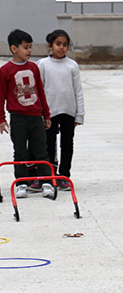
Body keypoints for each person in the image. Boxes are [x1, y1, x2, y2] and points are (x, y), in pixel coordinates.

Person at [0, 29, 55, 199]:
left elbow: (40, 92)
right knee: (20, 151)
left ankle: (46, 182)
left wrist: (46, 114)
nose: (29, 51)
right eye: (25, 47)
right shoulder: (5, 71)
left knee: (41, 150)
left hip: (35, 117)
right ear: (14, 48)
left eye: (30, 47)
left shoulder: (34, 68)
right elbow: (0, 96)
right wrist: (1, 118)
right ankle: (22, 183)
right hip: (18, 118)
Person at [36, 29, 85, 192]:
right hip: (49, 113)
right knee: (49, 144)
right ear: (50, 45)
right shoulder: (42, 64)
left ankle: (64, 176)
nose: (61, 48)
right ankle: (50, 175)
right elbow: (39, 89)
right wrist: (41, 113)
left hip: (69, 112)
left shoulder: (72, 65)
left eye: (65, 45)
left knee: (67, 144)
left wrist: (79, 114)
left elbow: (78, 90)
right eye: (58, 44)